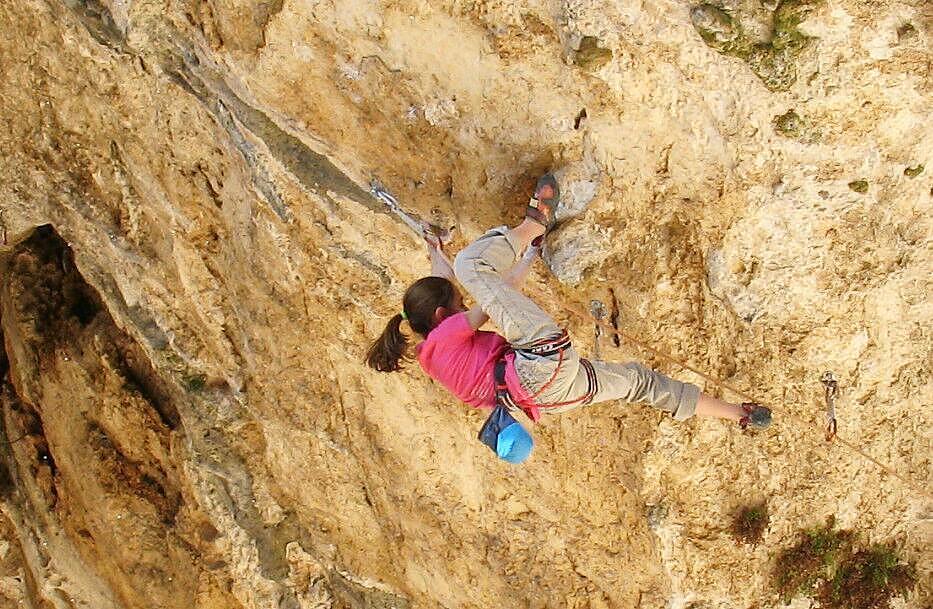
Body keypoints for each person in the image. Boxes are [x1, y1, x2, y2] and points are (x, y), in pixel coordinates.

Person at [366, 174, 771, 463]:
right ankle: (533, 222)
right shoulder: (444, 340)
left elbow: (483, 293)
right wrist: (520, 249)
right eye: (455, 301)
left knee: (641, 385)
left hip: (552, 398)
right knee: (471, 263)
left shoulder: (436, 358)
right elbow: (491, 296)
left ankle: (739, 414)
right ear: (442, 315)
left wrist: (522, 257)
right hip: (536, 365)